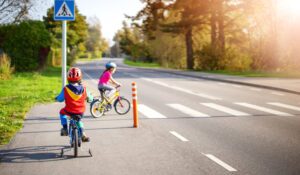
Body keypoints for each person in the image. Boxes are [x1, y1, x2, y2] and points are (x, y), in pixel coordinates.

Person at [55, 67, 93, 142]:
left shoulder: (66, 89)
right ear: (80, 78)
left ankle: (65, 128)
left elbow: (60, 99)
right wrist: (90, 99)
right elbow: (90, 98)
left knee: (62, 112)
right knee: (79, 121)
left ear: (68, 78)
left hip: (68, 111)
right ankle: (83, 134)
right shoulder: (84, 89)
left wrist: (56, 98)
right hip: (80, 112)